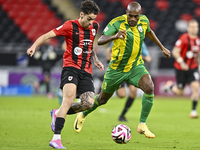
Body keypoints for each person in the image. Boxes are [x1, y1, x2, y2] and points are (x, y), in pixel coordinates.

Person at [73, 2, 171, 139]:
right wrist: (115, 36)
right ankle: (83, 114)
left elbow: (149, 31)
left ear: (140, 15)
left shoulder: (144, 21)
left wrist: (162, 47)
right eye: (130, 15)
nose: (132, 19)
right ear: (126, 13)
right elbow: (100, 40)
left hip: (135, 66)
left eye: (135, 16)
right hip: (116, 69)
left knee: (149, 87)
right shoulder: (117, 23)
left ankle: (142, 125)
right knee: (102, 99)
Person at [27, 0, 104, 149]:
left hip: (86, 71)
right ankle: (56, 138)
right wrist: (34, 46)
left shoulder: (95, 26)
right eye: (89, 19)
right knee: (68, 100)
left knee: (89, 103)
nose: (91, 22)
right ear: (81, 14)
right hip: (70, 68)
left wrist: (95, 59)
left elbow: (89, 45)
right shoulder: (70, 26)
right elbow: (47, 35)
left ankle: (57, 113)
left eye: (93, 19)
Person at [106, 42, 152, 122]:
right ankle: (115, 86)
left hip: (132, 71)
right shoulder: (121, 38)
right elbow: (108, 50)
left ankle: (122, 115)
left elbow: (148, 58)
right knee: (122, 95)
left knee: (133, 91)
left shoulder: (140, 42)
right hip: (119, 70)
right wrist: (108, 64)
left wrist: (139, 58)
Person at [164, 19, 200, 118]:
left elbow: (198, 55)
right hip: (180, 68)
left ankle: (193, 111)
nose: (194, 29)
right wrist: (182, 63)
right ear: (188, 28)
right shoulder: (183, 38)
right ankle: (170, 86)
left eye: (196, 27)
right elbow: (175, 52)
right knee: (180, 92)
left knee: (195, 87)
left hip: (193, 68)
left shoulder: (198, 40)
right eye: (192, 27)